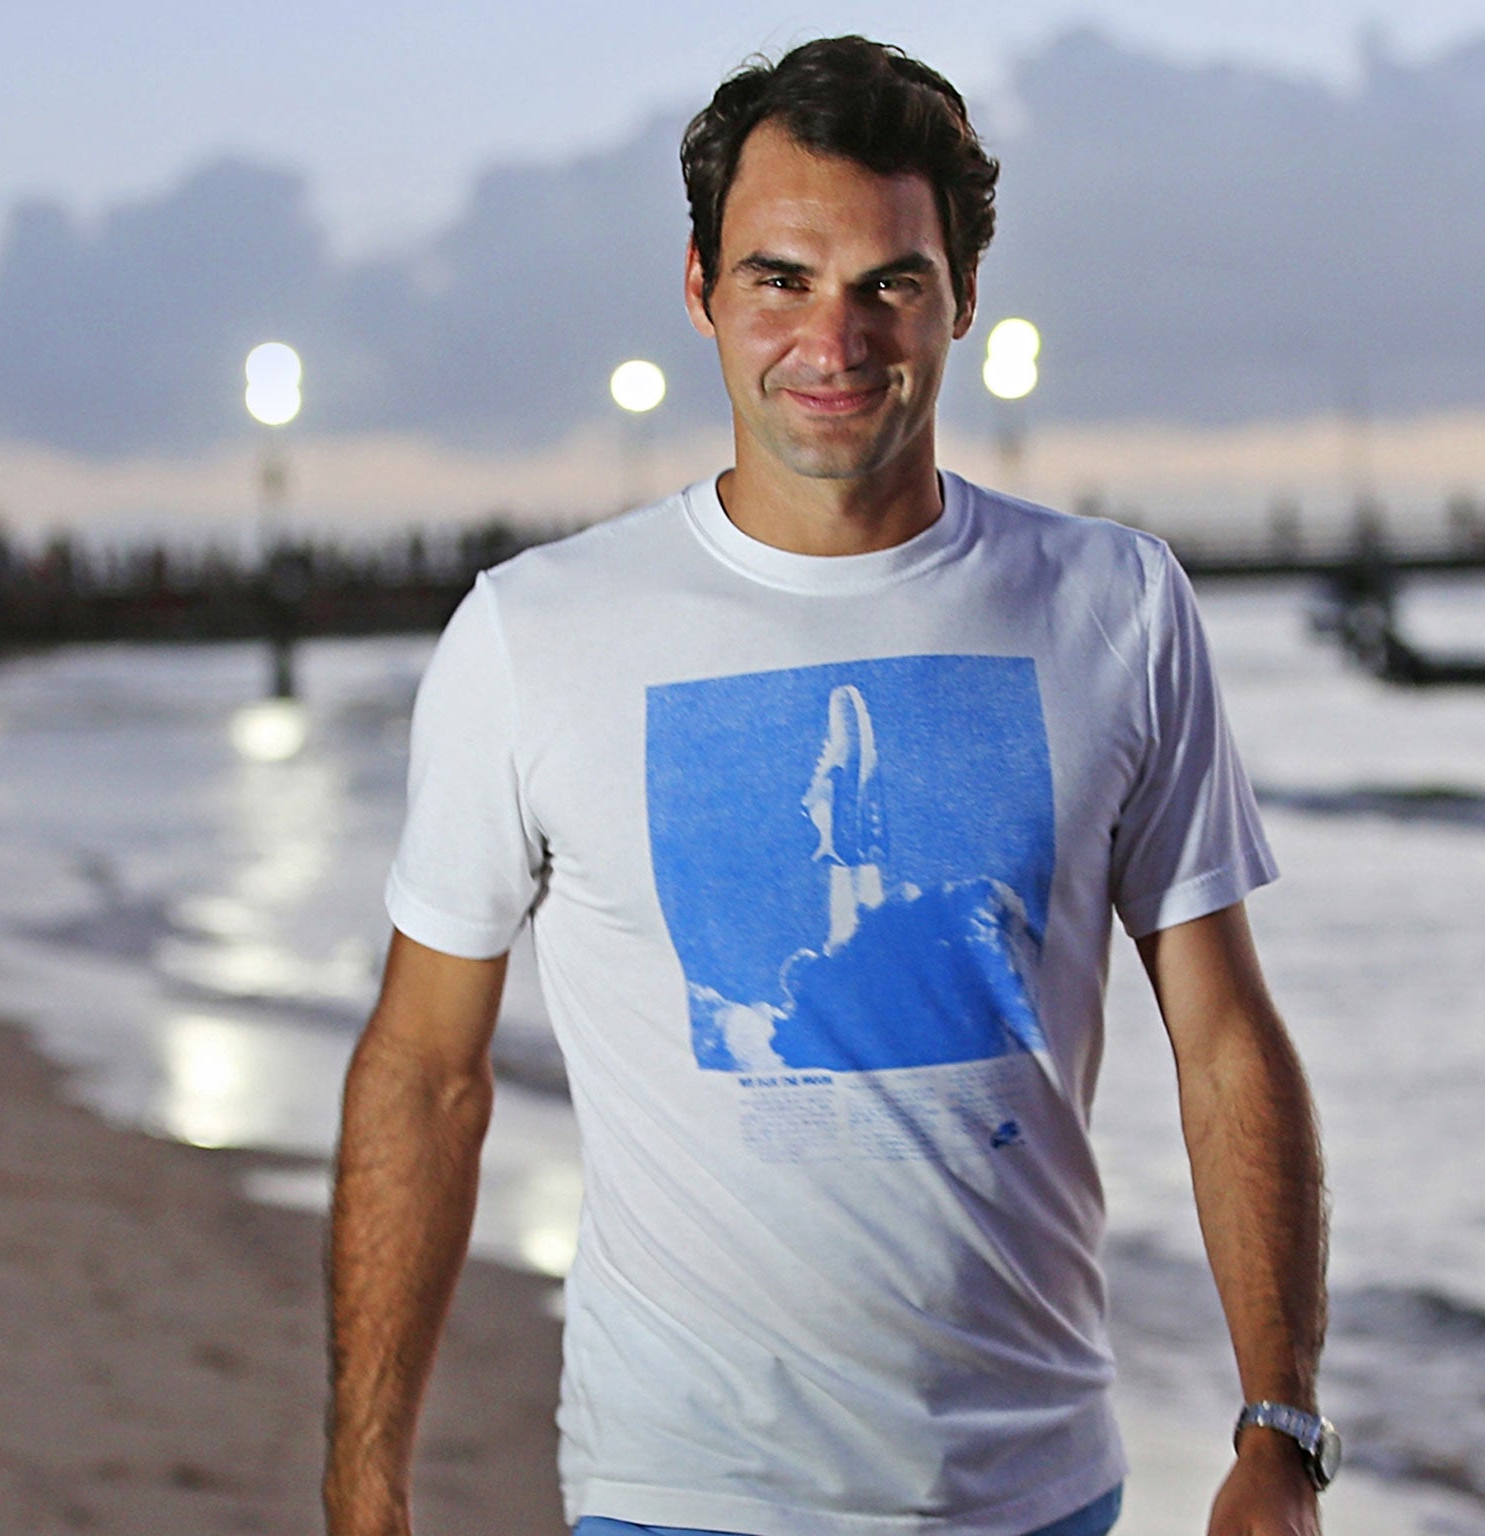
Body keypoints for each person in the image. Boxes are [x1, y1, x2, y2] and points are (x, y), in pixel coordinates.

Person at [327, 35, 1332, 1536]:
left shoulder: (1113, 603)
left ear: (964, 299)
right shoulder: (536, 636)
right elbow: (426, 1072)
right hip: (683, 1489)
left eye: (890, 284)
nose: (834, 337)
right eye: (782, 278)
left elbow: (1225, 1038)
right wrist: (363, 1474)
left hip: (1036, 1485)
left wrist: (1280, 1425)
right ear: (701, 290)